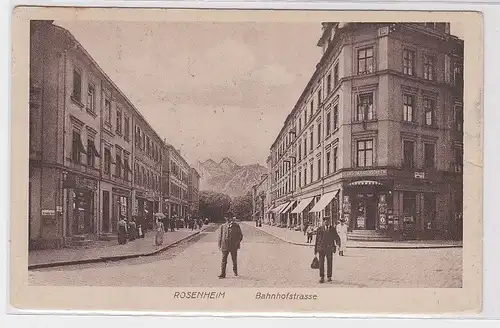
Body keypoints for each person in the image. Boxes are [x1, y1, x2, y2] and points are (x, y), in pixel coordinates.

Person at [314, 217, 341, 283]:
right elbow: (317, 240)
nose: (326, 222)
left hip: (329, 248)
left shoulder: (332, 229)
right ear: (323, 222)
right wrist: (315, 250)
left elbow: (337, 237)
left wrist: (338, 245)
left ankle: (329, 276)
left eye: (327, 221)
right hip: (321, 249)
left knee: (329, 263)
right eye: (325, 221)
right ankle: (322, 276)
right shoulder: (319, 229)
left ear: (329, 222)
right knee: (321, 263)